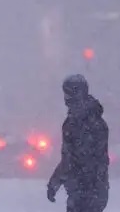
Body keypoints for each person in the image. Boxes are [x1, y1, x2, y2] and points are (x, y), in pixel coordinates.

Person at [47, 74, 109, 212]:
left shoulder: (78, 123)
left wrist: (55, 182)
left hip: (84, 194)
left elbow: (70, 160)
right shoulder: (94, 121)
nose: (66, 99)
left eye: (68, 94)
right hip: (90, 192)